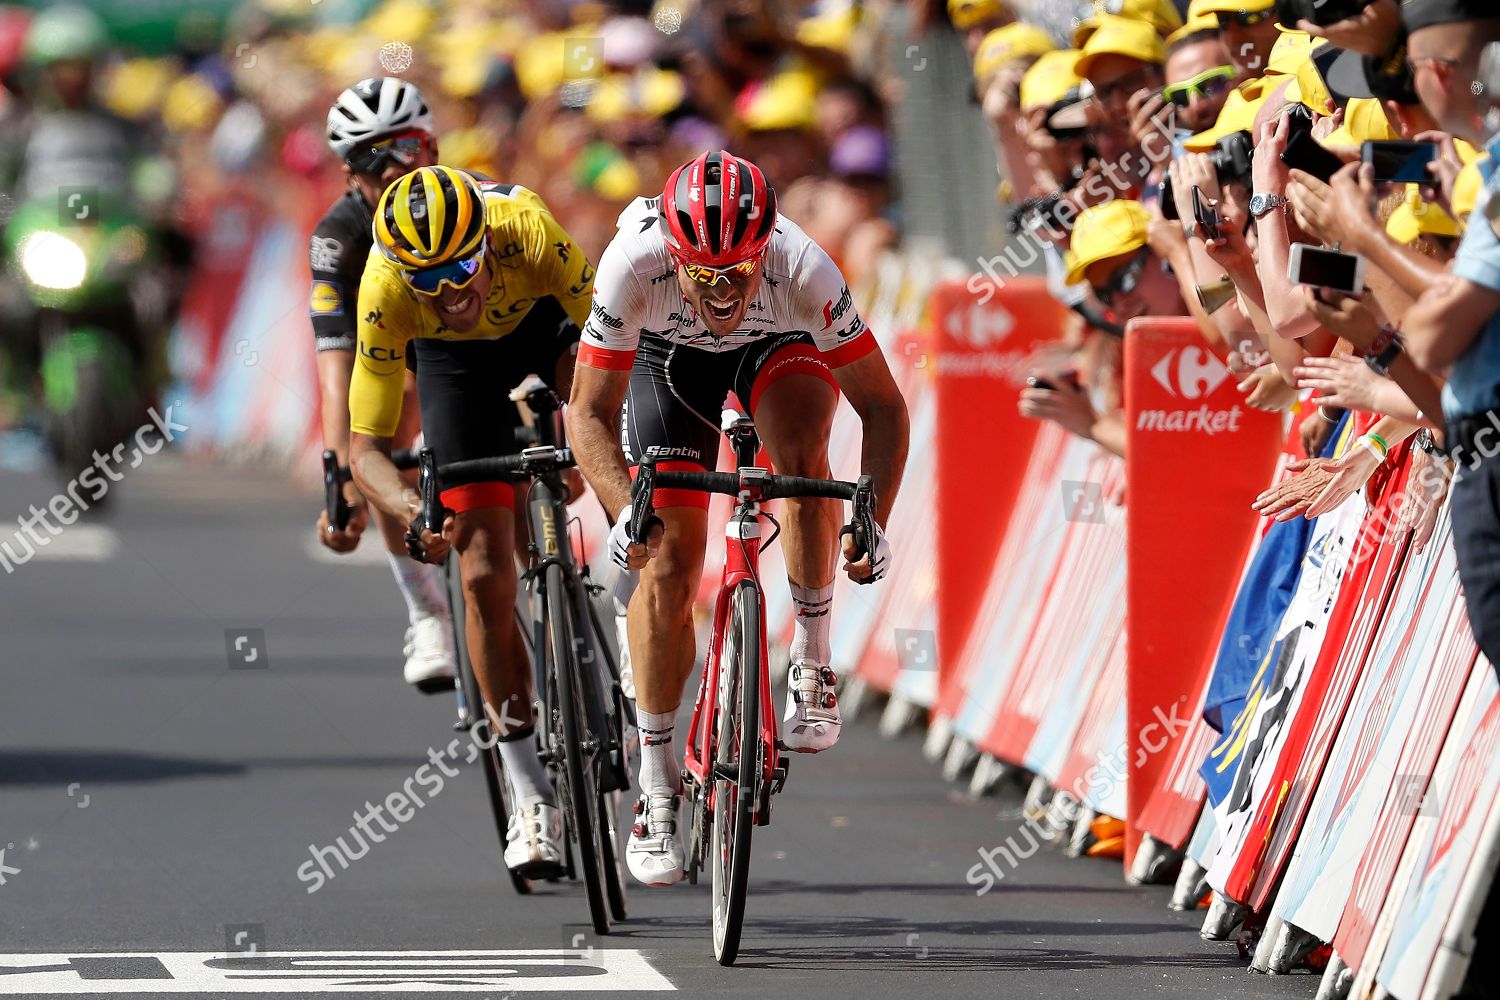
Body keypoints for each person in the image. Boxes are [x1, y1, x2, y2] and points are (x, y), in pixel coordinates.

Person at [566, 151, 909, 887]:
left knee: (802, 464)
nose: (721, 290)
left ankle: (812, 660)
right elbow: (586, 413)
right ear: (673, 254)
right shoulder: (634, 262)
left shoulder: (803, 267)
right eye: (704, 274)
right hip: (669, 364)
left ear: (766, 249)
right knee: (668, 562)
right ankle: (655, 785)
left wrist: (871, 513)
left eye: (738, 273)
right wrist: (625, 513)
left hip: (778, 350)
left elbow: (882, 406)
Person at [347, 165, 595, 875]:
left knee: (601, 452)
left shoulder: (527, 230)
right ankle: (532, 797)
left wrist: (590, 444)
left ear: (485, 240)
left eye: (461, 265)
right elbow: (365, 451)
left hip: (543, 332)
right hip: (456, 371)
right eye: (429, 278)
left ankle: (630, 639)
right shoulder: (386, 288)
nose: (452, 291)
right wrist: (409, 509)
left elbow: (615, 339)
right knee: (483, 573)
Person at [312, 77, 456, 694]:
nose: (400, 172)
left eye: (412, 150)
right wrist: (339, 473)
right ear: (351, 174)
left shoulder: (477, 202)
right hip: (392, 350)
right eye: (377, 160)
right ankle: (427, 610)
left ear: (434, 147)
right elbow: (335, 363)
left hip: (472, 340)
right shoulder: (337, 238)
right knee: (377, 437)